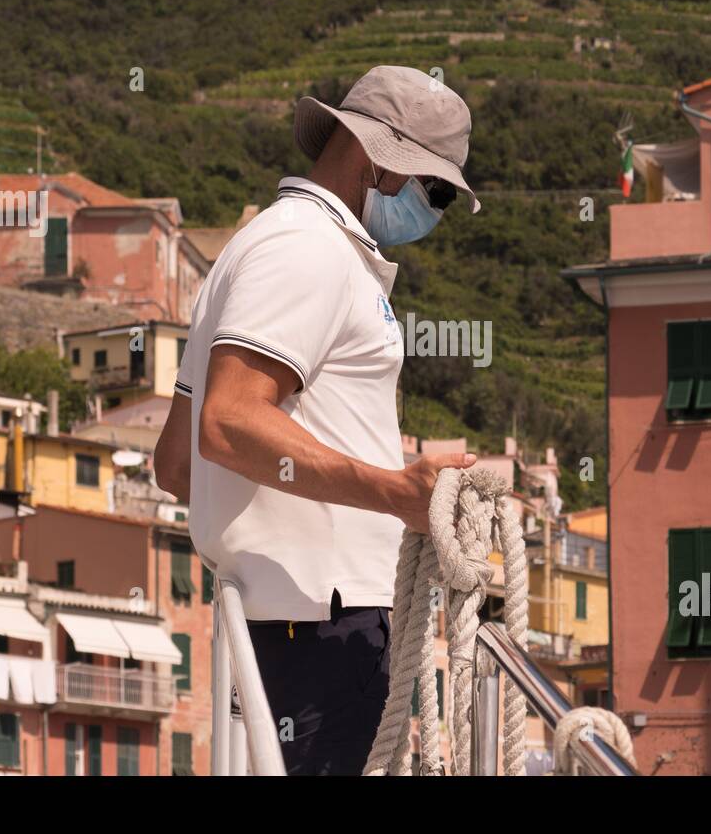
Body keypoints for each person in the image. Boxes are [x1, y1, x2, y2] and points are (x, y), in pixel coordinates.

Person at [154, 66, 481, 774]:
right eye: (438, 192)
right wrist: (397, 493)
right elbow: (230, 423)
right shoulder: (310, 250)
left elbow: (176, 464)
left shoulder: (251, 249)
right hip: (327, 627)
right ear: (378, 162)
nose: (437, 212)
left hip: (282, 627)